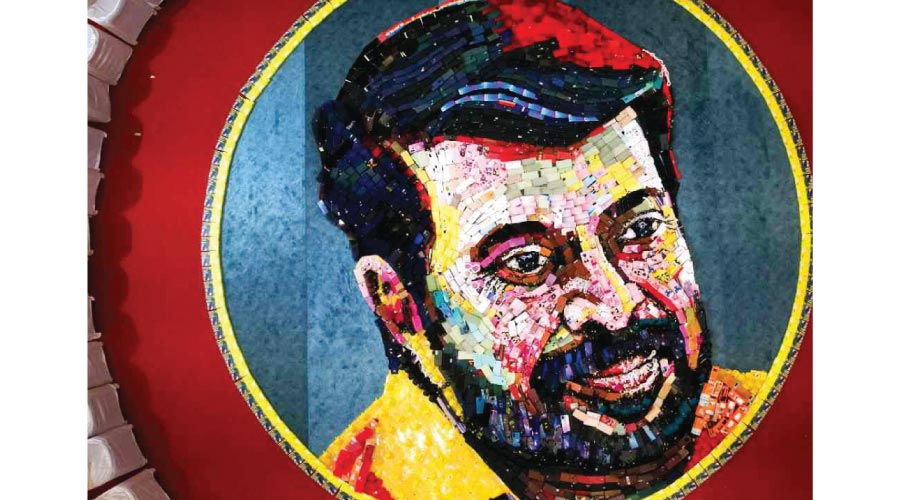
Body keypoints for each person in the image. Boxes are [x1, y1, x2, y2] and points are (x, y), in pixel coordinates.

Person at [313, 1, 765, 499]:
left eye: (640, 230)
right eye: (527, 263)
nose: (615, 308)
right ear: (399, 306)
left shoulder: (772, 427)